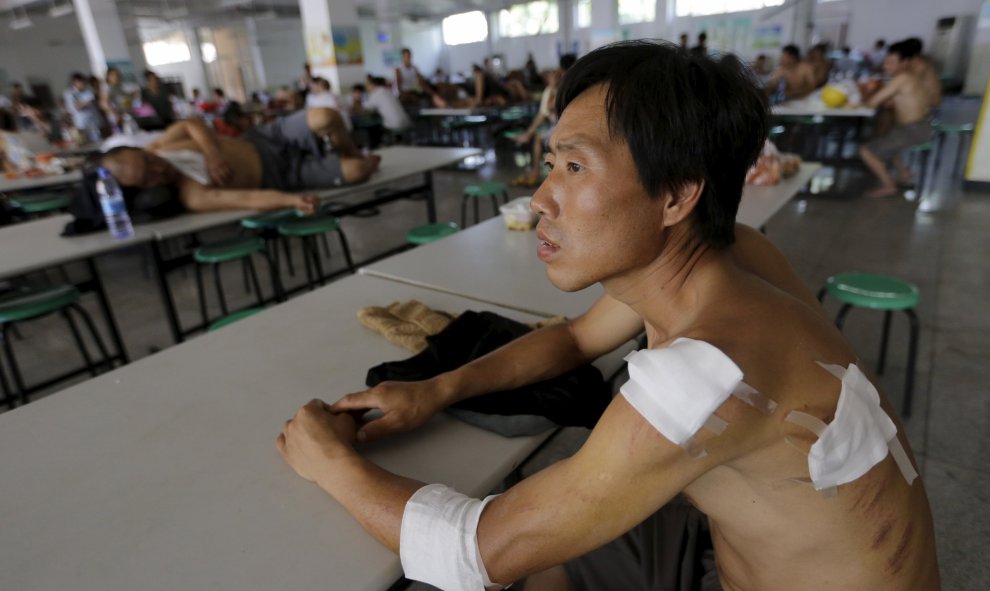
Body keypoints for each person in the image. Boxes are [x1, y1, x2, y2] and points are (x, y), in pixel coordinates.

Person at [277, 40, 938, 591]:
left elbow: (474, 549)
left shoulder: (709, 373)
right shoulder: (725, 253)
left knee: (531, 545)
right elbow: (572, 339)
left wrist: (330, 461)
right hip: (740, 553)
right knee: (563, 550)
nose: (540, 198)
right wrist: (434, 389)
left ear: (677, 194)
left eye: (572, 165)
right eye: (548, 163)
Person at [99, 108, 379, 215]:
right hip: (285, 175)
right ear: (145, 189)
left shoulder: (160, 146)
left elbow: (192, 123)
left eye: (148, 161)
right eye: (148, 178)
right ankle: (357, 161)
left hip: (262, 139)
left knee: (326, 117)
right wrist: (292, 201)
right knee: (357, 172)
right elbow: (248, 199)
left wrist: (212, 153)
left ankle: (351, 151)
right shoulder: (193, 195)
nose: (157, 169)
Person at [859, 41, 936, 198]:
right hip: (920, 126)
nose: (886, 66)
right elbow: (896, 101)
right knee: (888, 140)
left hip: (913, 129)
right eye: (886, 62)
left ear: (905, 62)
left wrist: (864, 95)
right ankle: (904, 173)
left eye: (892, 63)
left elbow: (872, 103)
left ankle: (888, 186)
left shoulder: (900, 79)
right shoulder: (911, 77)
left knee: (866, 151)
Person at [511, 53, 577, 188]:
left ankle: (548, 175)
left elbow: (549, 108)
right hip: (561, 125)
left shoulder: (565, 88)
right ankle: (537, 172)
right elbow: (544, 112)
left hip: (567, 126)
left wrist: (553, 87)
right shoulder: (556, 89)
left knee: (547, 140)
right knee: (539, 137)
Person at [63, 72, 102, 141]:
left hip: (94, 122)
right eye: (81, 82)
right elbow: (73, 108)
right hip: (82, 123)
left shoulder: (88, 91)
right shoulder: (70, 94)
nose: (83, 84)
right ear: (75, 82)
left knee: (97, 140)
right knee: (85, 142)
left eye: (84, 81)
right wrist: (86, 102)